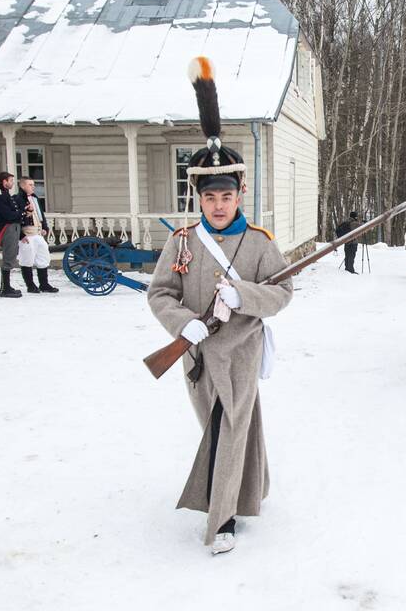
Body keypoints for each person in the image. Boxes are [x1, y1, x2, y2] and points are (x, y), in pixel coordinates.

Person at [147, 57, 293, 555]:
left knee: (231, 427)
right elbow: (159, 293)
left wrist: (244, 296)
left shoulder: (258, 242)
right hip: (197, 356)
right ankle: (255, 487)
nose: (218, 205)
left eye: (226, 195)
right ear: (199, 198)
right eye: (209, 196)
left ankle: (222, 518)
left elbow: (282, 293)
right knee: (224, 425)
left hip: (242, 354)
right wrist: (184, 324)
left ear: (239, 194)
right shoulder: (183, 241)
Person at [15, 177, 58, 294]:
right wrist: (20, 235)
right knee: (26, 260)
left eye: (33, 184)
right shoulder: (17, 199)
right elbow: (16, 219)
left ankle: (44, 284)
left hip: (38, 233)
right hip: (27, 234)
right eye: (30, 185)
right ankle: (30, 285)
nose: (33, 187)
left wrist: (44, 227)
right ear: (23, 186)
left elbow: (40, 214)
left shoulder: (34, 198)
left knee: (43, 258)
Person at [0, 171, 23, 298]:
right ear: (4, 182)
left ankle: (7, 286)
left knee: (11, 257)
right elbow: (8, 215)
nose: (12, 183)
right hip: (7, 228)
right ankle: (5, 289)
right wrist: (22, 213)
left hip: (12, 228)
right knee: (8, 259)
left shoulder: (5, 194)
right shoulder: (0, 196)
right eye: (11, 181)